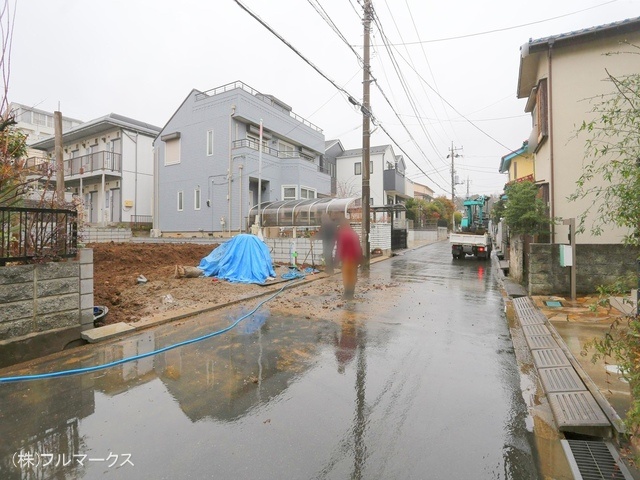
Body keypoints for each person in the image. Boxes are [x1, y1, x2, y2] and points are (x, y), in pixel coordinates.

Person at [335, 217, 362, 300]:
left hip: (346, 259)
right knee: (353, 277)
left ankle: (347, 294)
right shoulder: (354, 233)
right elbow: (358, 247)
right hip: (354, 259)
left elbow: (340, 247)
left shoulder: (341, 234)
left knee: (347, 277)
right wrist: (360, 259)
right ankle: (351, 294)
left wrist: (336, 260)